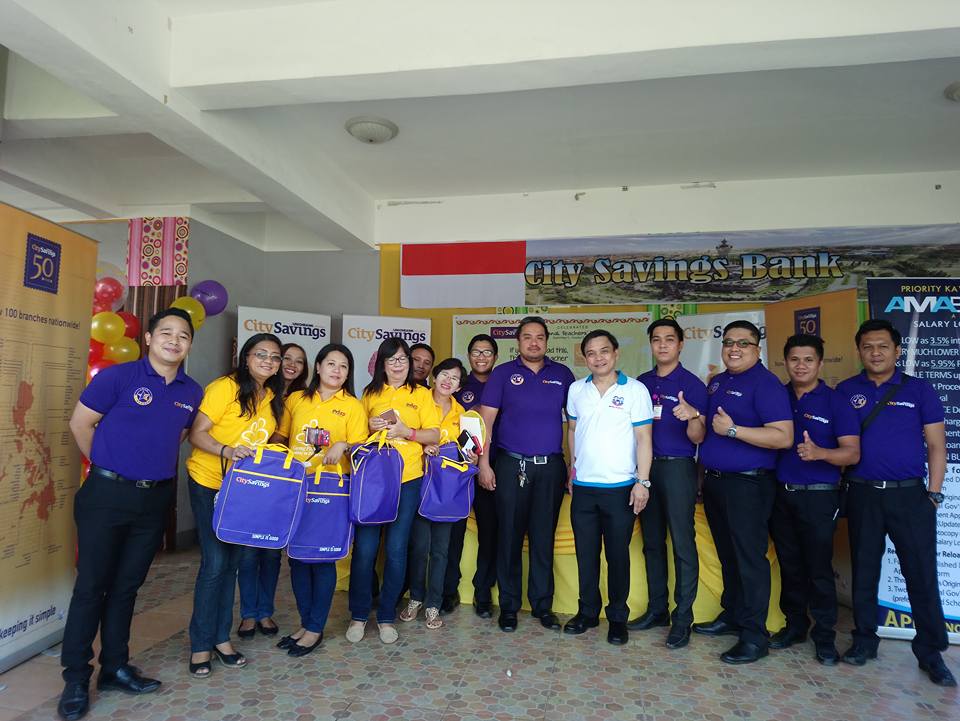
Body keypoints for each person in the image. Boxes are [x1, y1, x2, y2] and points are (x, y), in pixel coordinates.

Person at [57, 309, 202, 721]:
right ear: (150, 338)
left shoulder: (191, 391)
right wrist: (109, 467)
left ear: (190, 345)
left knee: (127, 588)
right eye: (167, 333)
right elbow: (80, 424)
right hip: (106, 495)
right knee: (92, 587)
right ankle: (75, 677)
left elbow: (173, 437)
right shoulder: (118, 378)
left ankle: (115, 667)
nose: (175, 341)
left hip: (153, 501)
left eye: (183, 336)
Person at [836, 319, 955, 686]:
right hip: (863, 493)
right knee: (865, 571)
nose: (875, 352)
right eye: (868, 346)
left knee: (921, 574)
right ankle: (864, 641)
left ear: (896, 351)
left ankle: (931, 652)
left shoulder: (919, 390)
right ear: (859, 351)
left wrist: (933, 493)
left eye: (883, 346)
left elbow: (937, 446)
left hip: (910, 494)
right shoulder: (846, 390)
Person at [693, 320, 793, 664]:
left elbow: (783, 436)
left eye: (743, 343)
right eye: (729, 342)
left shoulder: (767, 384)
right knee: (729, 555)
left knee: (750, 560)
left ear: (757, 349)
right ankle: (733, 615)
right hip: (718, 483)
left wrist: (733, 430)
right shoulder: (718, 382)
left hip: (748, 485)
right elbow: (706, 431)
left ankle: (754, 636)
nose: (734, 349)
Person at [185, 333, 285, 677]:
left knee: (232, 563)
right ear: (246, 357)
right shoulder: (224, 387)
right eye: (261, 355)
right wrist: (227, 451)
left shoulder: (271, 395)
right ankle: (200, 644)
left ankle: (220, 638)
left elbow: (265, 439)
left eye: (274, 357)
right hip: (209, 482)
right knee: (214, 563)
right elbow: (196, 434)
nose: (268, 362)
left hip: (243, 491)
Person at [478, 317, 575, 632]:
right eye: (528, 337)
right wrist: (484, 464)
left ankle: (542, 606)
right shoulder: (502, 375)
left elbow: (574, 426)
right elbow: (485, 424)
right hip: (510, 466)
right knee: (509, 536)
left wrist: (573, 467)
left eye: (540, 337)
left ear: (547, 341)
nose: (534, 342)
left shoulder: (562, 375)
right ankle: (508, 606)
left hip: (551, 467)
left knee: (543, 537)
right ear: (517, 342)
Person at [769, 334, 860, 665]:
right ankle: (795, 626)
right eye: (794, 359)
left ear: (820, 363)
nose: (801, 365)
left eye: (808, 359)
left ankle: (824, 636)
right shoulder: (777, 397)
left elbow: (852, 452)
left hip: (820, 498)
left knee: (819, 569)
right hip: (781, 495)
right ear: (786, 362)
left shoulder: (836, 402)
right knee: (790, 566)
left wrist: (820, 453)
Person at [270, 344, 367, 656]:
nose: (337, 371)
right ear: (319, 366)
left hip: (332, 489)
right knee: (297, 557)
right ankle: (305, 622)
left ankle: (315, 628)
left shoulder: (352, 405)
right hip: (297, 487)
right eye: (331, 364)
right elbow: (280, 438)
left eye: (343, 366)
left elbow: (362, 446)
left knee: (322, 558)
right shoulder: (296, 399)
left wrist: (344, 444)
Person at [348, 338, 441, 644]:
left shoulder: (423, 394)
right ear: (382, 364)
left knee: (397, 549)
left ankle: (386, 615)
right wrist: (372, 429)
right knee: (365, 549)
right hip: (374, 480)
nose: (399, 365)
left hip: (408, 479)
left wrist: (407, 432)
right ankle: (359, 614)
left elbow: (434, 433)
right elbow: (356, 437)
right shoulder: (369, 393)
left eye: (403, 359)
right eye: (392, 360)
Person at [564, 331, 653, 645]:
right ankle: (587, 612)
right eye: (591, 353)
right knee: (586, 555)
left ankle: (617, 618)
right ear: (584, 357)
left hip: (621, 488)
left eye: (604, 351)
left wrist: (643, 482)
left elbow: (644, 439)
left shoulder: (636, 390)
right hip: (584, 489)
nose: (598, 358)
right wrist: (572, 470)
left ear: (616, 354)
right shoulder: (576, 390)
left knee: (618, 556)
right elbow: (573, 430)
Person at [632, 318, 707, 650]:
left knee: (681, 543)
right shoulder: (640, 384)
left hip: (678, 469)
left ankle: (682, 618)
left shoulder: (692, 384)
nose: (662, 345)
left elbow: (699, 437)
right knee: (651, 542)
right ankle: (657, 609)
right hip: (646, 471)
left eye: (669, 340)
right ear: (650, 344)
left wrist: (691, 415)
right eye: (657, 340)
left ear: (680, 345)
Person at [235, 342, 307, 640]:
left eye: (298, 361)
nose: (290, 364)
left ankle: (265, 611)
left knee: (271, 552)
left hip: (284, 482)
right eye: (284, 358)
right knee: (249, 550)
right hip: (255, 477)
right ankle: (248, 614)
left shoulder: (300, 398)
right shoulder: (259, 392)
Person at [402, 358, 477, 629]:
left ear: (459, 387)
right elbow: (406, 434)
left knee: (442, 551)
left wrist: (467, 455)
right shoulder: (418, 400)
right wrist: (424, 447)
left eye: (455, 378)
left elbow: (470, 454)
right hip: (419, 483)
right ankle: (416, 598)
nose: (448, 381)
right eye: (444, 374)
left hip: (447, 491)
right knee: (419, 547)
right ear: (434, 376)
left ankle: (433, 604)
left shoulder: (462, 415)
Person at [442, 333, 499, 617]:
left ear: (495, 357)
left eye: (487, 352)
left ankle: (483, 592)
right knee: (453, 531)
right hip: (458, 469)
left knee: (490, 532)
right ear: (469, 356)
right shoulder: (458, 386)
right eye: (476, 352)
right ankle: (448, 590)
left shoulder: (503, 383)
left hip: (491, 467)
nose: (481, 357)